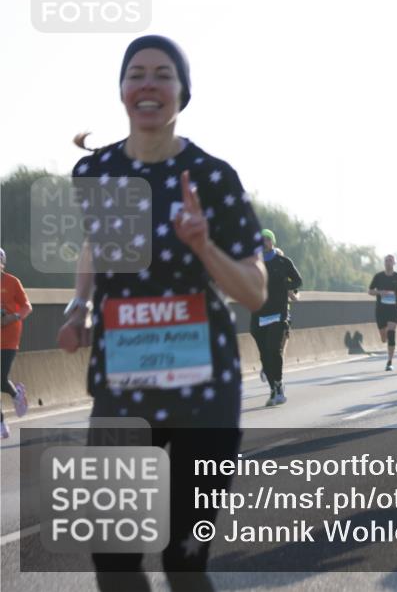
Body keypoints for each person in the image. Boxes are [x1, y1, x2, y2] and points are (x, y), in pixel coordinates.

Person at [56, 35, 267, 591]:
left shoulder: (214, 178)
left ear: (182, 92)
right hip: (123, 387)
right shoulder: (95, 173)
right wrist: (80, 307)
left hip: (205, 396)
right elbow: (97, 247)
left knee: (183, 560)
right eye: (136, 74)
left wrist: (203, 246)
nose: (148, 84)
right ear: (123, 90)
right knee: (115, 559)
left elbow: (254, 293)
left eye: (163, 74)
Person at [250, 229, 302, 407]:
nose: (263, 242)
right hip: (259, 315)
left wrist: (283, 285)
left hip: (278, 314)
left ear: (272, 242)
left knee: (274, 350)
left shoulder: (283, 262)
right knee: (265, 355)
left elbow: (298, 281)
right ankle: (273, 389)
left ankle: (278, 385)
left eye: (266, 239)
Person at [1, 248, 33, 439]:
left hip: (9, 337)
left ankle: (15, 394)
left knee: (0, 376)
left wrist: (11, 317)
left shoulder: (13, 282)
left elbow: (27, 307)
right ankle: (1, 425)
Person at [368, 255, 397, 371]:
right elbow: (370, 291)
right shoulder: (378, 276)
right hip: (381, 310)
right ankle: (384, 338)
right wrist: (380, 292)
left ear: (394, 263)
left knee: (391, 333)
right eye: (386, 260)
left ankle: (389, 361)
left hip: (393, 309)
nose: (388, 262)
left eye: (390, 260)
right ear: (384, 263)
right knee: (384, 337)